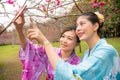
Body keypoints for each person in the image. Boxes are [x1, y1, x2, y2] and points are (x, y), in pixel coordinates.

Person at [26, 12, 120, 80]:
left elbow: (74, 75)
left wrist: (46, 43)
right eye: (77, 25)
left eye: (82, 24)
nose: (78, 28)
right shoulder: (88, 53)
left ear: (95, 26)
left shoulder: (106, 51)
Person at [13, 12, 81, 80]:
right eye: (63, 36)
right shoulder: (51, 52)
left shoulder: (78, 64)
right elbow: (29, 48)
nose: (64, 40)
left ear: (77, 44)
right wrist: (19, 29)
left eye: (69, 38)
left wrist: (44, 41)